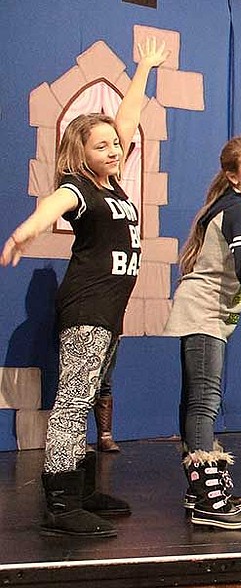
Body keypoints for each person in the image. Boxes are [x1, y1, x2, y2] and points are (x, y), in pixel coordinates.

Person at [2, 39, 168, 538]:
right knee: (74, 400)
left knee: (90, 392)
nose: (115, 148)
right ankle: (60, 502)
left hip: (109, 310)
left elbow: (129, 116)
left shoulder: (113, 182)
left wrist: (143, 68)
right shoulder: (79, 187)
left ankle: (82, 487)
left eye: (116, 144)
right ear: (81, 153)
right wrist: (23, 233)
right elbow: (49, 207)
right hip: (87, 306)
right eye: (102, 146)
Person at [163, 136, 241, 529]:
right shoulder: (240, 211)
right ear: (232, 176)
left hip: (208, 311)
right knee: (203, 401)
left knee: (196, 399)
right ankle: (209, 498)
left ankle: (198, 490)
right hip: (203, 312)